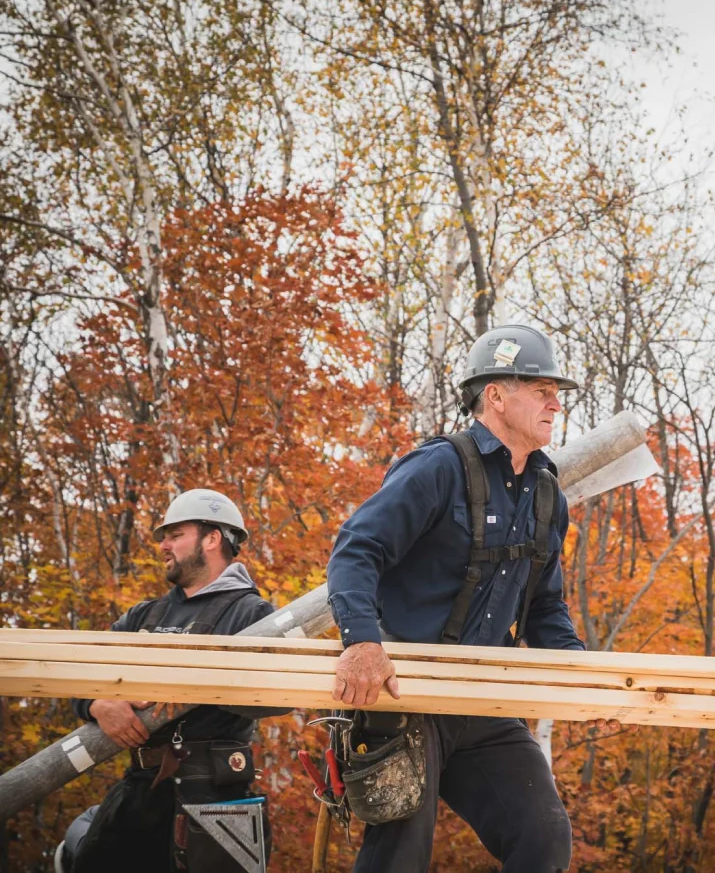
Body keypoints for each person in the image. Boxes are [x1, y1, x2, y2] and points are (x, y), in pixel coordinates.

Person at [327, 325, 615, 873]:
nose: (557, 403)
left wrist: (588, 680)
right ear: (496, 395)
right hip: (403, 693)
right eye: (542, 389)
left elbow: (546, 609)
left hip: (481, 697)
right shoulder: (438, 467)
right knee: (399, 856)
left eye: (558, 392)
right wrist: (362, 642)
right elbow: (355, 551)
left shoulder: (547, 493)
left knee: (543, 836)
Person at [58, 488, 279, 873]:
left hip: (216, 796)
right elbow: (80, 675)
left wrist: (193, 684)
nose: (162, 544)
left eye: (175, 535)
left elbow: (276, 698)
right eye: (164, 536)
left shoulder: (254, 616)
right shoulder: (144, 616)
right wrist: (97, 705)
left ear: (212, 539)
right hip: (142, 789)